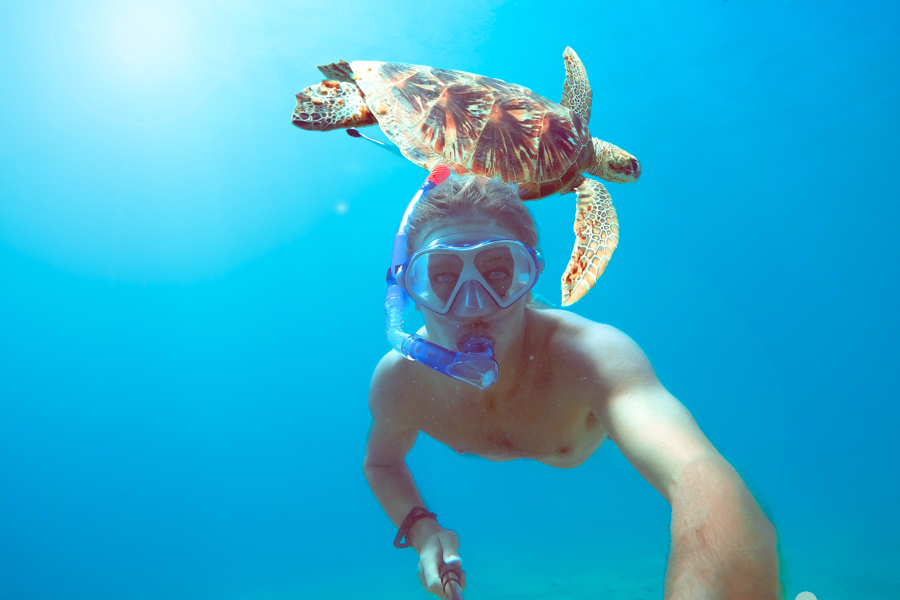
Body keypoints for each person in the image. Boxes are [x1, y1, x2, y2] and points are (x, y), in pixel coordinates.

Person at [364, 174, 781, 600]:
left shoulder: (592, 356)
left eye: (498, 271)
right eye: (444, 277)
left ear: (530, 278)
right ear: (411, 290)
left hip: (604, 454)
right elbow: (381, 464)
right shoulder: (401, 381)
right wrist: (421, 528)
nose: (474, 305)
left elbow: (696, 471)